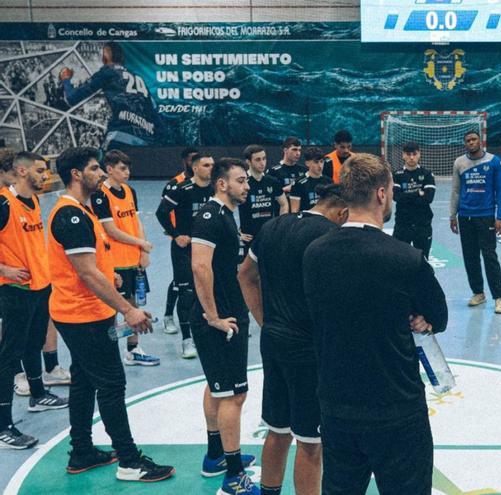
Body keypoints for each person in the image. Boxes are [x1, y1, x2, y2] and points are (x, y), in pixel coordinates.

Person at [303, 153, 448, 494]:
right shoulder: (405, 258)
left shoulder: (314, 254)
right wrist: (420, 319)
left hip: (337, 406)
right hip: (396, 407)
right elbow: (438, 316)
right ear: (382, 194)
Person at [48, 147, 174, 481]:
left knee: (85, 381)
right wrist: (129, 309)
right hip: (83, 315)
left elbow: (91, 266)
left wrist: (110, 274)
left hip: (84, 312)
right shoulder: (71, 216)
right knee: (112, 383)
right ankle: (130, 462)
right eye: (94, 169)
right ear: (76, 174)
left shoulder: (83, 211)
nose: (101, 174)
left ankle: (82, 451)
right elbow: (87, 275)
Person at [239, 184, 349, 495]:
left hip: (273, 342)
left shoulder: (273, 225)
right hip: (309, 349)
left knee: (277, 430)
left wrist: (265, 321)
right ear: (342, 212)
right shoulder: (330, 236)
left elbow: (245, 275)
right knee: (312, 443)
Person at [190, 158, 258, 494]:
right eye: (241, 181)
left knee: (217, 386)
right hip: (221, 317)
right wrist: (214, 316)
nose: (247, 186)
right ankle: (233, 476)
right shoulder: (209, 216)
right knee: (235, 394)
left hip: (227, 310)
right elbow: (200, 267)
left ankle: (216, 454)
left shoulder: (223, 215)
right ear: (222, 184)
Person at [0, 152, 68, 450]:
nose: (45, 176)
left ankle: (39, 395)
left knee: (35, 342)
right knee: (9, 355)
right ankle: (3, 426)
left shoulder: (36, 201)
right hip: (15, 291)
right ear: (22, 171)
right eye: (40, 171)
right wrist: (3, 269)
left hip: (39, 286)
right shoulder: (4, 204)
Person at [91, 150, 160, 366]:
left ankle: (133, 349)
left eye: (128, 168)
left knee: (134, 306)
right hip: (114, 261)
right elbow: (110, 229)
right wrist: (140, 243)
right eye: (122, 168)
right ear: (109, 169)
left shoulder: (130, 191)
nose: (127, 172)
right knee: (113, 307)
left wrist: (143, 251)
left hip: (134, 260)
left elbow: (137, 223)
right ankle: (107, 351)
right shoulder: (101, 195)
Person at [155, 153, 214, 359]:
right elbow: (161, 212)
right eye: (206, 165)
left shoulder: (216, 189)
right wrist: (176, 234)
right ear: (195, 168)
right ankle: (186, 340)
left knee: (207, 288)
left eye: (212, 165)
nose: (210, 168)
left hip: (207, 248)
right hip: (184, 249)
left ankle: (206, 330)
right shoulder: (182, 189)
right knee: (187, 292)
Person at [59, 42, 161, 148]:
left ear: (106, 54)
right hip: (145, 141)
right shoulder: (138, 78)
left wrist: (66, 80)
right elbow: (155, 113)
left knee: (100, 161)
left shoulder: (107, 72)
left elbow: (72, 98)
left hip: (121, 135)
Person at [450, 130, 501, 313]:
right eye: (468, 140)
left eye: (474, 139)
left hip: (486, 216)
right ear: (465, 143)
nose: (471, 142)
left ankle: (498, 298)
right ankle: (478, 293)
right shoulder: (459, 163)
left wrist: (500, 217)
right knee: (470, 256)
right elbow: (456, 191)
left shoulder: (494, 162)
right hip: (465, 217)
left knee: (490, 256)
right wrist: (453, 215)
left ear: (480, 141)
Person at [161, 146, 198, 335]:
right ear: (184, 161)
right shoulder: (175, 184)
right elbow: (164, 211)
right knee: (179, 282)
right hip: (180, 239)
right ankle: (168, 315)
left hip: (197, 241)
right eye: (192, 159)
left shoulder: (204, 183)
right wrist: (174, 234)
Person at [239, 145, 288, 260]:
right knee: (248, 275)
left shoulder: (272, 181)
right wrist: (237, 233)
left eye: (264, 158)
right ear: (248, 162)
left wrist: (280, 226)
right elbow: (230, 207)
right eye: (258, 159)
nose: (262, 163)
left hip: (269, 235)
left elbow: (284, 204)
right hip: (249, 236)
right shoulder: (242, 181)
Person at [392, 141, 436, 259]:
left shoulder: (427, 174)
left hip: (422, 225)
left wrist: (406, 195)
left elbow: (428, 198)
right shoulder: (396, 175)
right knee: (400, 261)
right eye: (408, 154)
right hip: (402, 224)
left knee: (423, 262)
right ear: (403, 155)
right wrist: (418, 193)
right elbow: (397, 197)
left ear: (419, 154)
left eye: (414, 154)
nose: (411, 157)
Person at [290, 147, 333, 213]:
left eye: (322, 162)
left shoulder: (329, 182)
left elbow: (332, 207)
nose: (320, 166)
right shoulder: (298, 183)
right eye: (316, 162)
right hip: (306, 220)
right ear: (307, 163)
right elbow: (294, 212)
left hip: (324, 220)